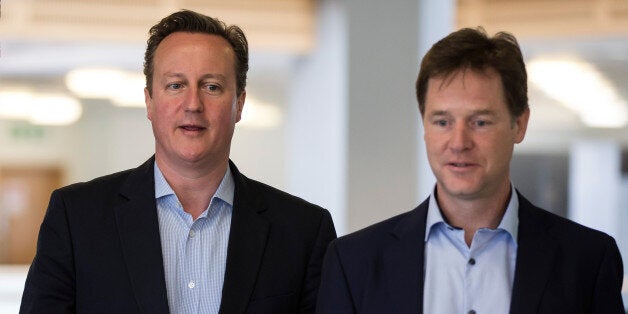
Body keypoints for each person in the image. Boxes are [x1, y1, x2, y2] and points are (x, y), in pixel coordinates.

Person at [20, 10, 336, 314]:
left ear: (239, 104)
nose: (193, 104)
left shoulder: (303, 231)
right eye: (176, 85)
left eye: (212, 86)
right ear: (149, 101)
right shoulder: (77, 219)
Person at [316, 27, 624, 313]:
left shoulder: (587, 261)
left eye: (480, 122)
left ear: (520, 124)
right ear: (424, 126)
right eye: (442, 122)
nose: (459, 142)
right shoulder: (353, 263)